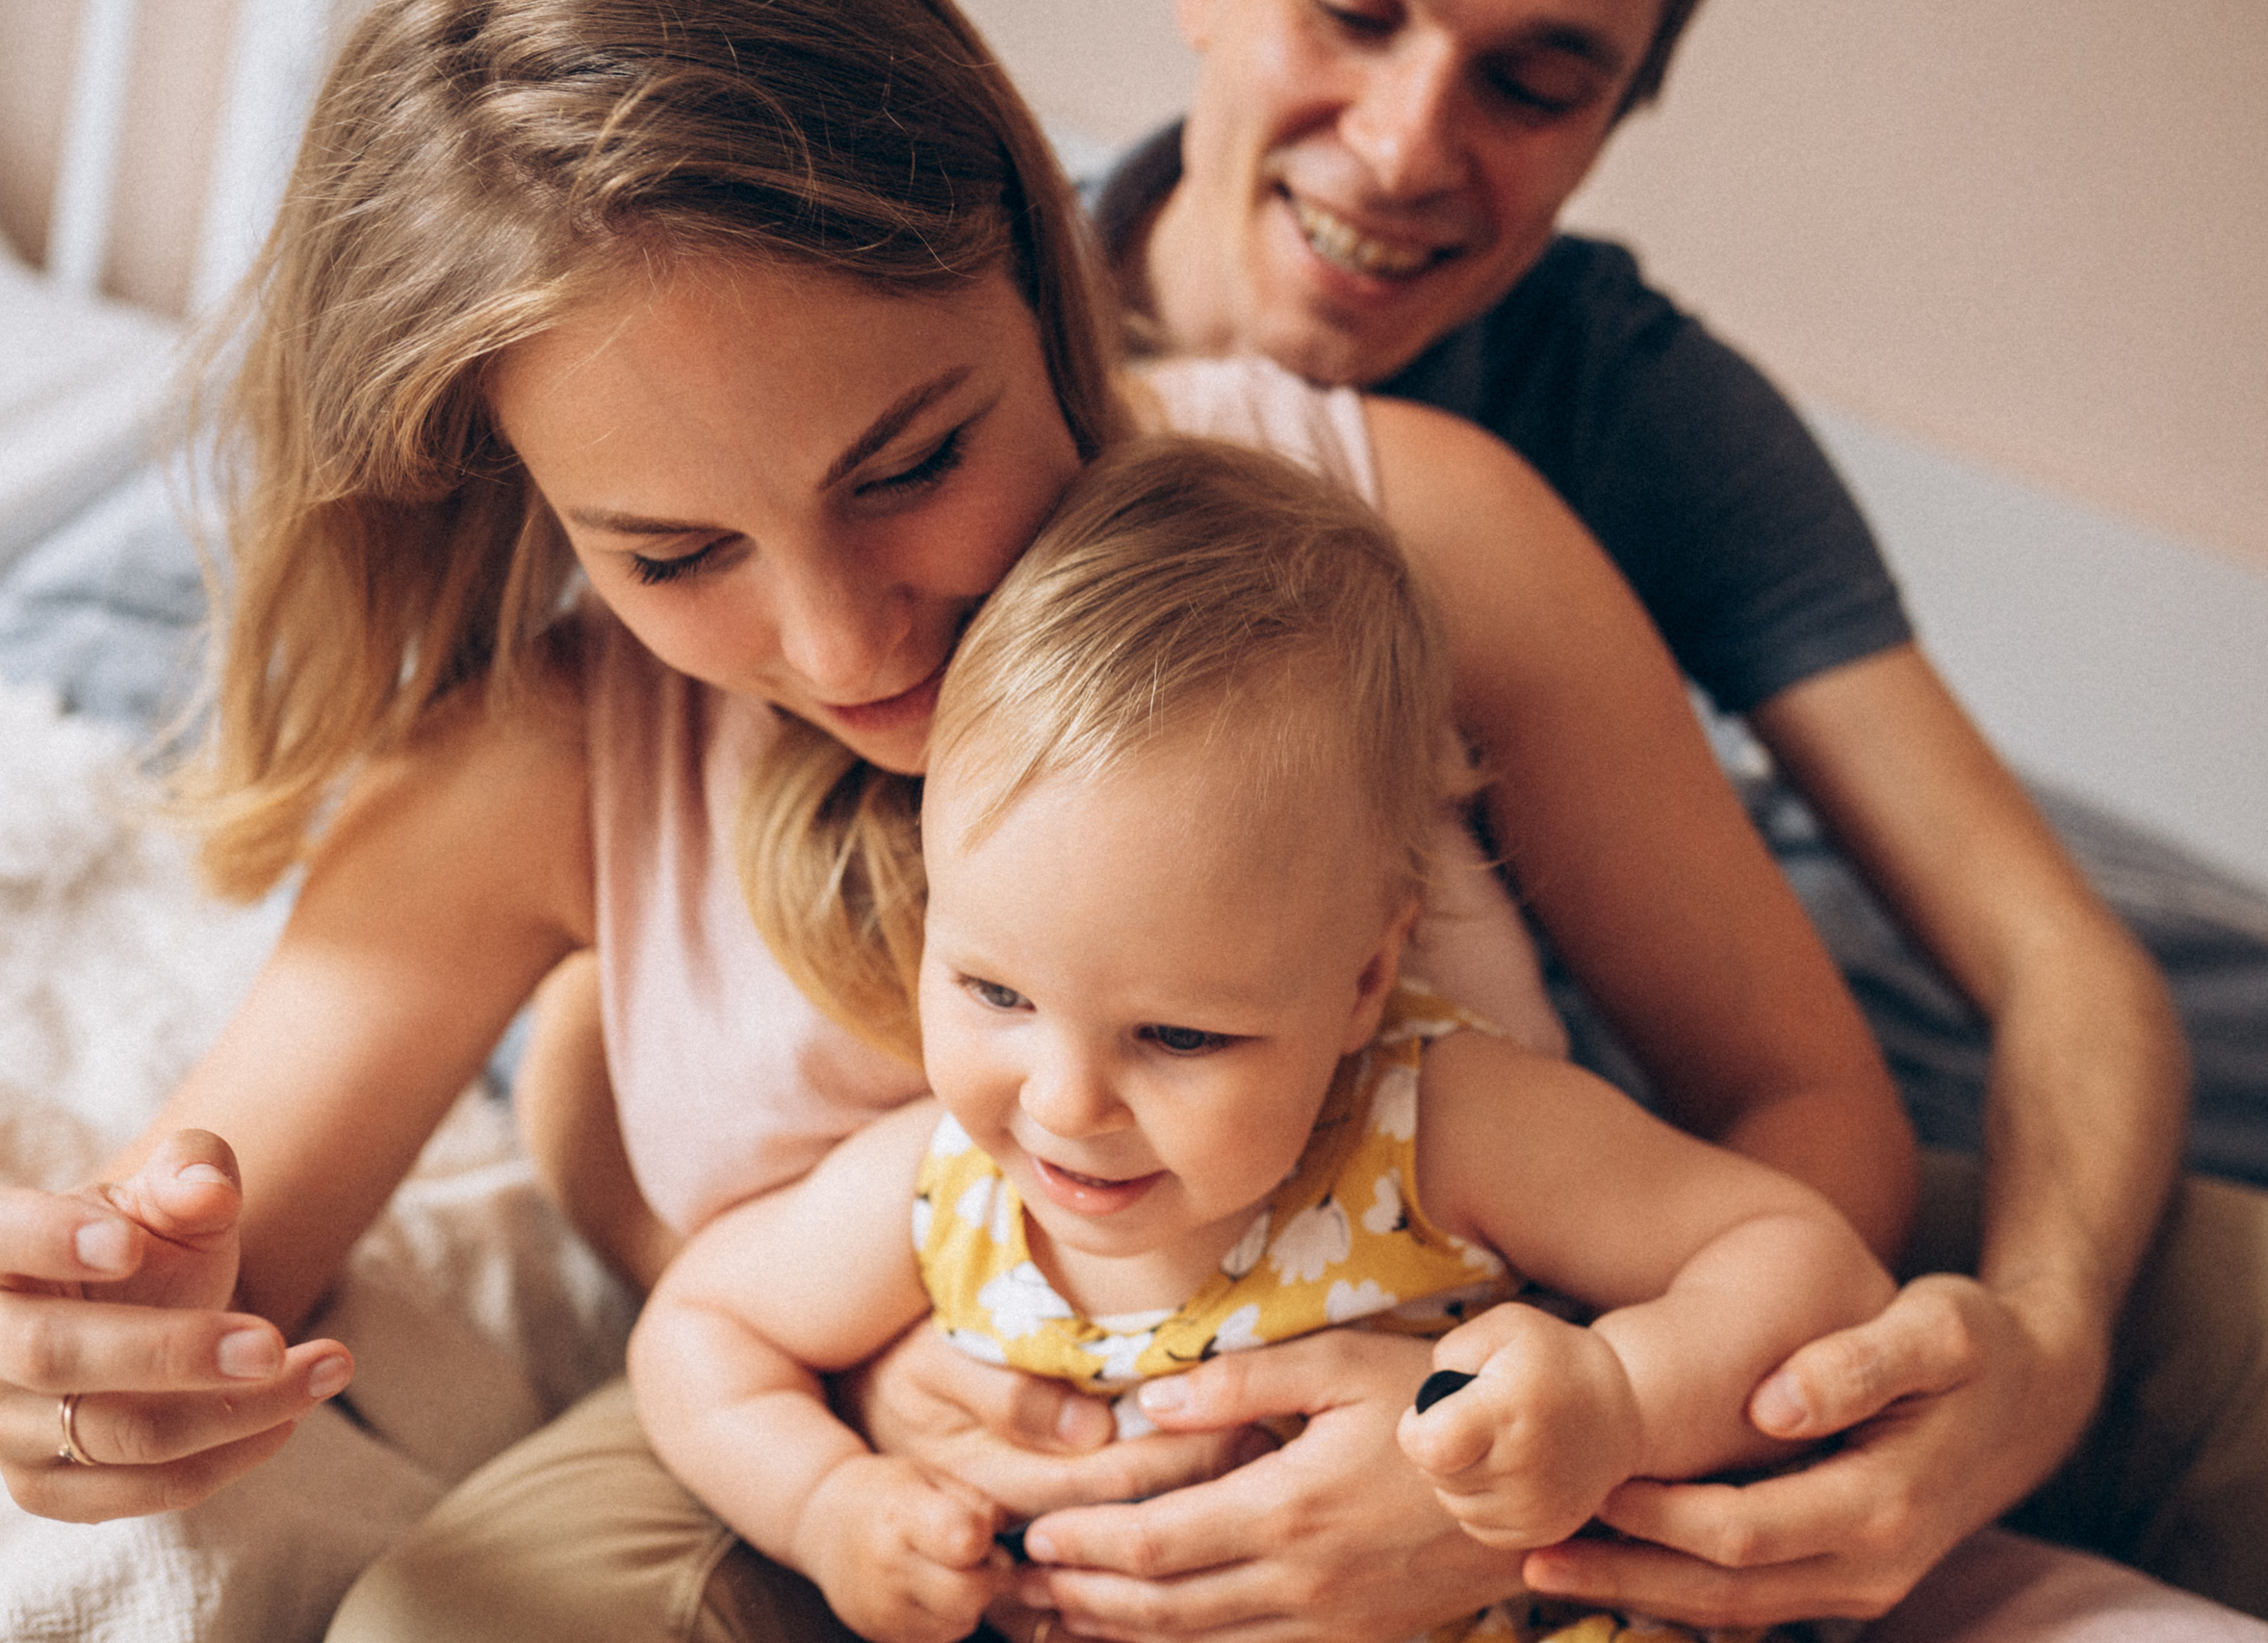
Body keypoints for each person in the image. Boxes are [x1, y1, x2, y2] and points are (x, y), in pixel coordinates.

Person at [0, 0, 1915, 1635]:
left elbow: (1804, 1112)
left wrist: (1535, 1453)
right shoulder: (541, 753)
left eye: (911, 458)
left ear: (1036, 269)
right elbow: (198, 1271)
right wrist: (86, 1352)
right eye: (670, 551)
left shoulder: (1389, 531)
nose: (844, 640)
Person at [1065, 2, 2268, 1640]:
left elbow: (2050, 954)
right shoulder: (960, 333)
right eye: (1357, 14)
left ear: (1618, 114)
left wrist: (2033, 1350)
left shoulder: (1630, 403)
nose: (1402, 144)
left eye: (1532, 82)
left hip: (1598, 1197)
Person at [627, 433, 1900, 1643]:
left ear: (1361, 980)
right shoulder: (943, 1195)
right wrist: (821, 1504)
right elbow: (698, 1335)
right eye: (994, 993)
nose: (1066, 1102)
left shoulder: (1427, 1122)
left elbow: (1803, 1258)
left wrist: (1619, 1399)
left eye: (1180, 1036)